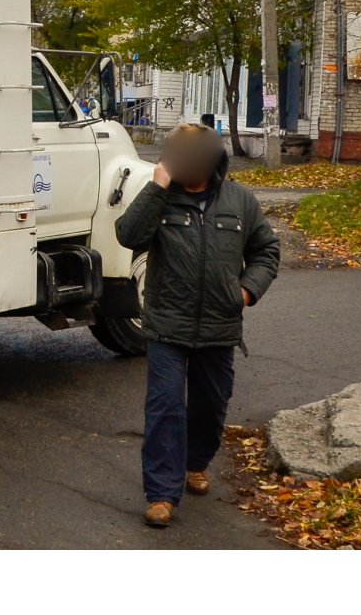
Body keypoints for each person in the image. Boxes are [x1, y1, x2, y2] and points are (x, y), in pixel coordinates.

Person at [115, 123, 280, 528]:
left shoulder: (239, 200)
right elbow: (128, 236)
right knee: (165, 408)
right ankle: (161, 494)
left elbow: (266, 250)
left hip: (220, 326)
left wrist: (245, 293)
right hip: (167, 325)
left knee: (210, 405)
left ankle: (195, 462)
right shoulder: (160, 199)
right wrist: (156, 187)